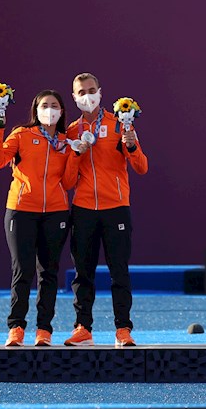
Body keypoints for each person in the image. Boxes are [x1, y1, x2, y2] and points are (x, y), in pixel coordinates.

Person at [63, 73, 149, 347]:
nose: (87, 96)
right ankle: (82, 329)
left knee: (119, 272)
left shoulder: (118, 125)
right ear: (74, 97)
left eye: (91, 90)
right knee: (83, 273)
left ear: (100, 92)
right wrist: (77, 153)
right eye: (81, 92)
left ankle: (123, 329)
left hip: (116, 208)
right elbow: (67, 181)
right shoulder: (71, 132)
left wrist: (131, 144)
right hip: (83, 209)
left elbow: (141, 167)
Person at [0, 90, 81, 347]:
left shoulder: (66, 141)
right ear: (36, 109)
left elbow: (69, 182)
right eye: (44, 105)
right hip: (21, 210)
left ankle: (44, 330)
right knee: (23, 270)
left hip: (56, 212)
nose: (49, 110)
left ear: (62, 111)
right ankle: (16, 328)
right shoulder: (22, 134)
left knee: (49, 272)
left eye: (54, 106)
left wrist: (74, 156)